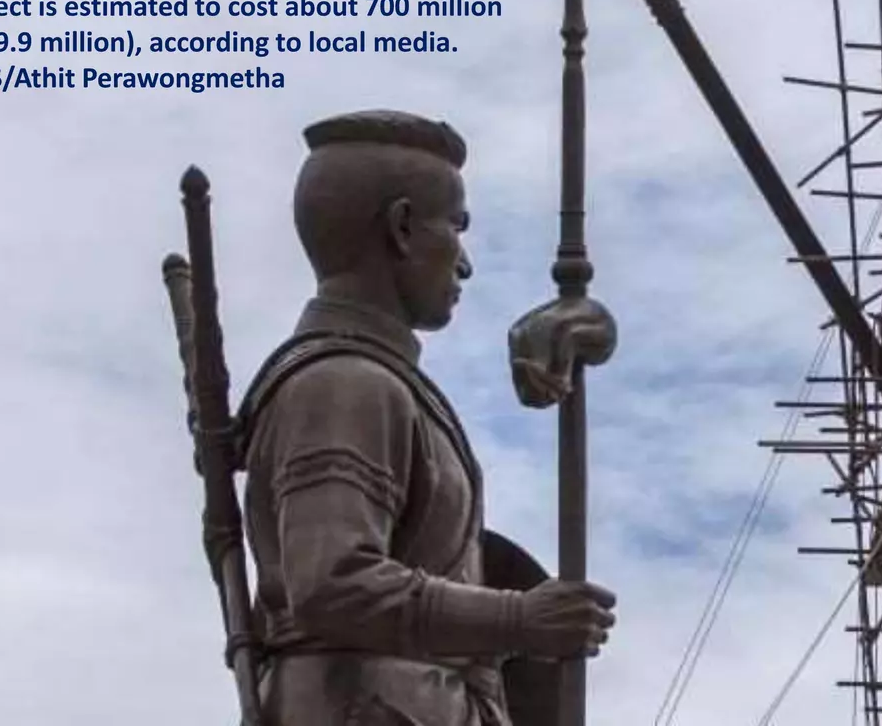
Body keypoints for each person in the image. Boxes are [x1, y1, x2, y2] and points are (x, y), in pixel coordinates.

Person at [239, 110, 619, 725]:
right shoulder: (344, 386)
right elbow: (331, 586)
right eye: (456, 227)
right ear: (403, 228)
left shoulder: (381, 384)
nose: (464, 262)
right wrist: (518, 619)